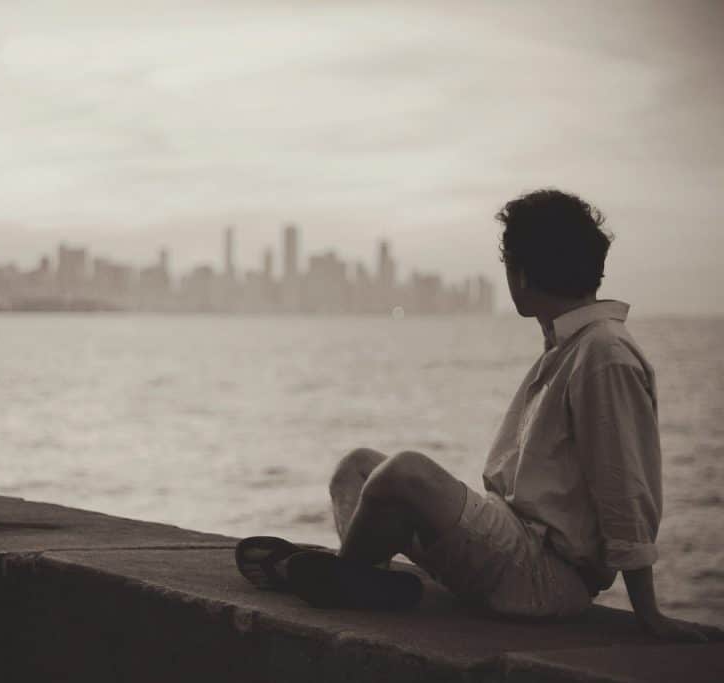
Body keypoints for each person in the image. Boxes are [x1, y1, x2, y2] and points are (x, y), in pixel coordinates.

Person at [237, 189, 718, 641]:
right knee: (357, 467)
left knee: (405, 471)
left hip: (547, 579)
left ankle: (345, 576)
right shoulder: (569, 346)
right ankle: (361, 580)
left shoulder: (602, 353)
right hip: (512, 547)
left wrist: (647, 613)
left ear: (522, 274)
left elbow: (623, 486)